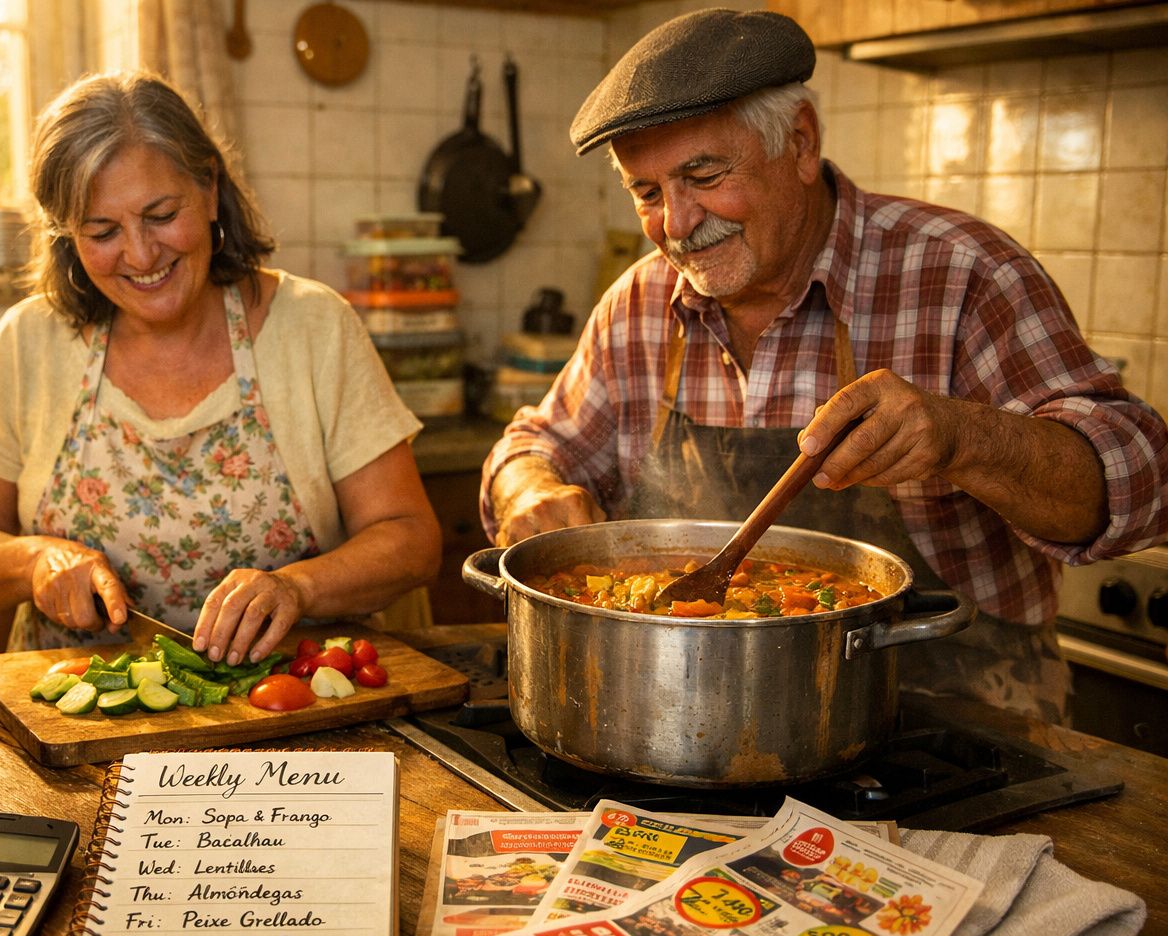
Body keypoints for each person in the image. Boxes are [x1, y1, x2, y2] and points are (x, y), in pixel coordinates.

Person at [481, 9, 1168, 723]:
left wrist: (963, 437)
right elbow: (532, 446)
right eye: (648, 194)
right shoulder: (642, 303)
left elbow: (1144, 481)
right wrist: (528, 489)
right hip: (685, 721)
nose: (677, 224)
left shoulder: (962, 273)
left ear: (802, 143)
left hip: (959, 727)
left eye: (705, 175)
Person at [0, 70, 440, 664]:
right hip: (74, 725)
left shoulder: (313, 327)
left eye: (162, 215)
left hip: (289, 708)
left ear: (210, 187)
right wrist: (35, 560)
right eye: (103, 231)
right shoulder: (29, 341)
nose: (140, 255)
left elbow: (412, 539)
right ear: (67, 234)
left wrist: (298, 586)